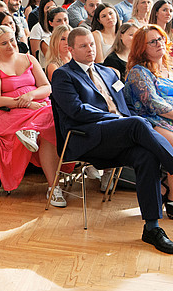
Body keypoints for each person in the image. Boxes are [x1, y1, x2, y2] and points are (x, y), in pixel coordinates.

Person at [52, 27, 173, 253]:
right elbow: (76, 111)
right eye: (83, 46)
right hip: (87, 138)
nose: (90, 49)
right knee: (137, 122)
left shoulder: (108, 73)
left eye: (92, 44)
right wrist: (116, 118)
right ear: (70, 49)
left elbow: (125, 105)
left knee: (146, 155)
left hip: (116, 138)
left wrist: (123, 119)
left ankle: (152, 228)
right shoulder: (63, 75)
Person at [0, 26, 63, 204]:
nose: (10, 45)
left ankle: (53, 187)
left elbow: (47, 87)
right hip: (8, 111)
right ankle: (53, 185)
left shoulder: (29, 58)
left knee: (51, 121)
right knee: (48, 121)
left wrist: (30, 96)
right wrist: (23, 102)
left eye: (12, 40)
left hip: (36, 105)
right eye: (4, 43)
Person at [124, 25, 173, 214]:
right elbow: (153, 104)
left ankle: (166, 187)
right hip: (149, 121)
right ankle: (171, 198)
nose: (159, 43)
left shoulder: (168, 69)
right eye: (152, 41)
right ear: (142, 48)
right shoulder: (139, 71)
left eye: (160, 38)